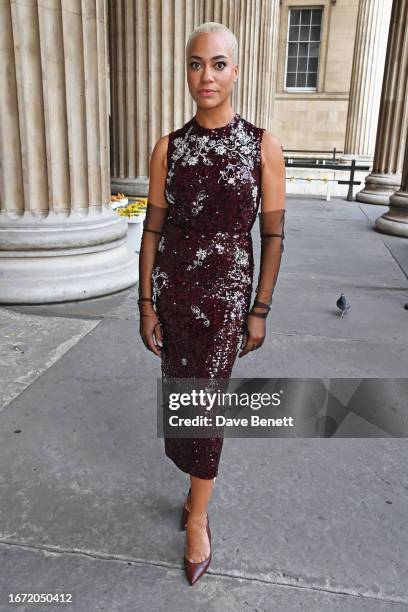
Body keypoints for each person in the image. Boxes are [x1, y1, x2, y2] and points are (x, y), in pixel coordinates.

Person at [138, 22, 286, 585]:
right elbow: (152, 230)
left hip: (227, 299)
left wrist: (260, 307)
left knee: (208, 409)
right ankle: (193, 490)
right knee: (183, 400)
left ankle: (198, 517)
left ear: (237, 70)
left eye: (219, 64)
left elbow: (271, 236)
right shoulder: (168, 148)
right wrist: (146, 303)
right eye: (197, 63)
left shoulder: (261, 145)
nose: (207, 76)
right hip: (176, 294)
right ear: (187, 70)